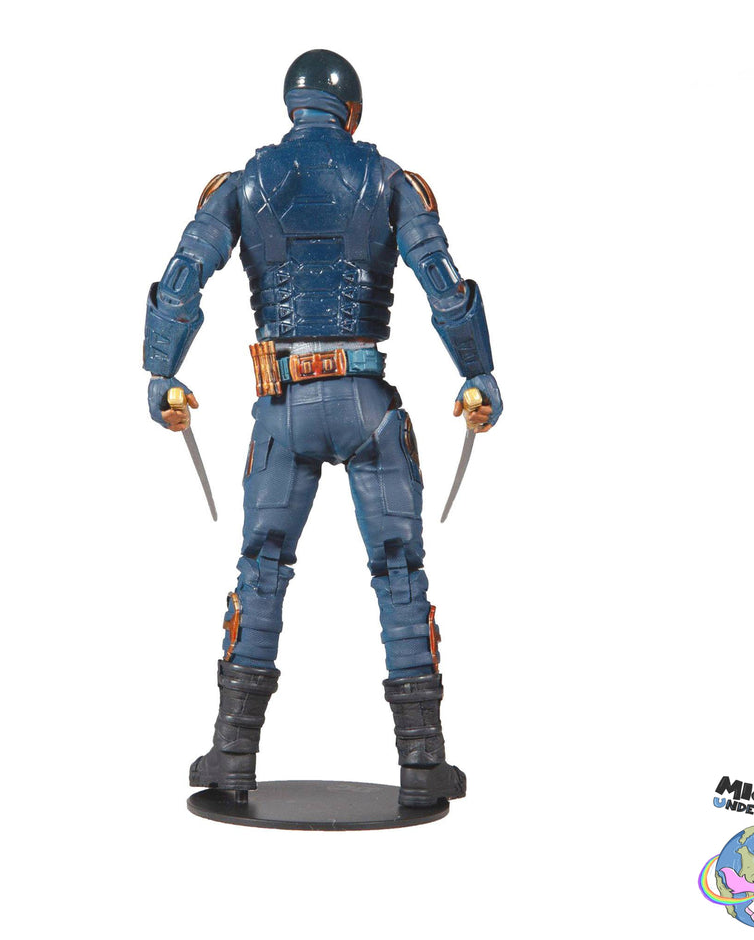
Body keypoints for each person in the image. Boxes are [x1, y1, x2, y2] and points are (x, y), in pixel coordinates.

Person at [143, 50, 502, 807]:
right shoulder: (390, 181)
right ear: (352, 112)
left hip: (283, 406)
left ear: (292, 106)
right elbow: (443, 285)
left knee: (261, 568)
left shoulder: (244, 184)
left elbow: (182, 277)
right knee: (400, 572)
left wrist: (161, 371)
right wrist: (477, 373)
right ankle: (422, 762)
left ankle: (232, 757)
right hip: (367, 404)